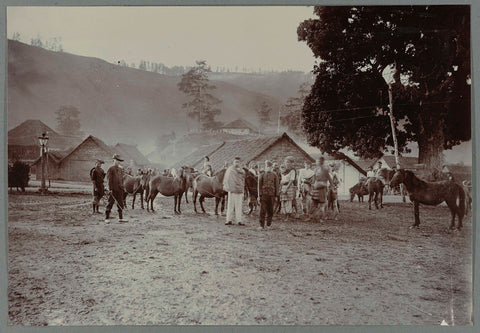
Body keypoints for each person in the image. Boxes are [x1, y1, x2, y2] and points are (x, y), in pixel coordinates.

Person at [223, 156, 246, 226]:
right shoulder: (230, 170)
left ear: (240, 163)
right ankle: (228, 220)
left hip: (239, 190)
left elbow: (243, 180)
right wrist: (227, 187)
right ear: (233, 162)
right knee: (230, 206)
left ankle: (239, 220)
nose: (237, 163)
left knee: (239, 206)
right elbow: (226, 179)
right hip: (232, 190)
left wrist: (243, 190)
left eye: (238, 162)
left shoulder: (242, 171)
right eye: (235, 162)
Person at [105, 154, 127, 223]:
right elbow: (109, 180)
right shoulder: (111, 169)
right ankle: (107, 218)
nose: (118, 162)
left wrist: (123, 187)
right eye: (117, 160)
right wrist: (110, 189)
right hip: (113, 189)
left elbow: (121, 179)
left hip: (120, 189)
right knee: (110, 203)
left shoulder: (120, 169)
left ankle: (121, 218)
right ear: (113, 160)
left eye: (119, 161)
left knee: (120, 203)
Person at [311, 156, 334, 221]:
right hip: (316, 188)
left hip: (322, 188)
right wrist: (313, 185)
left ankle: (321, 218)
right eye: (317, 161)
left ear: (321, 162)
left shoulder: (325, 170)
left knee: (322, 203)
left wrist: (332, 187)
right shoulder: (315, 170)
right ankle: (315, 217)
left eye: (318, 161)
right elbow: (313, 179)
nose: (317, 162)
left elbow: (330, 179)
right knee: (314, 203)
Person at [258, 160, 279, 230]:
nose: (268, 168)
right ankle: (261, 225)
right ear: (265, 167)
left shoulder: (274, 175)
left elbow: (277, 186)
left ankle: (268, 224)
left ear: (271, 167)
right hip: (264, 195)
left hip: (272, 195)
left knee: (270, 210)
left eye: (270, 167)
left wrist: (276, 195)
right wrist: (259, 195)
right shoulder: (262, 175)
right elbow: (259, 186)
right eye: (267, 167)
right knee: (262, 210)